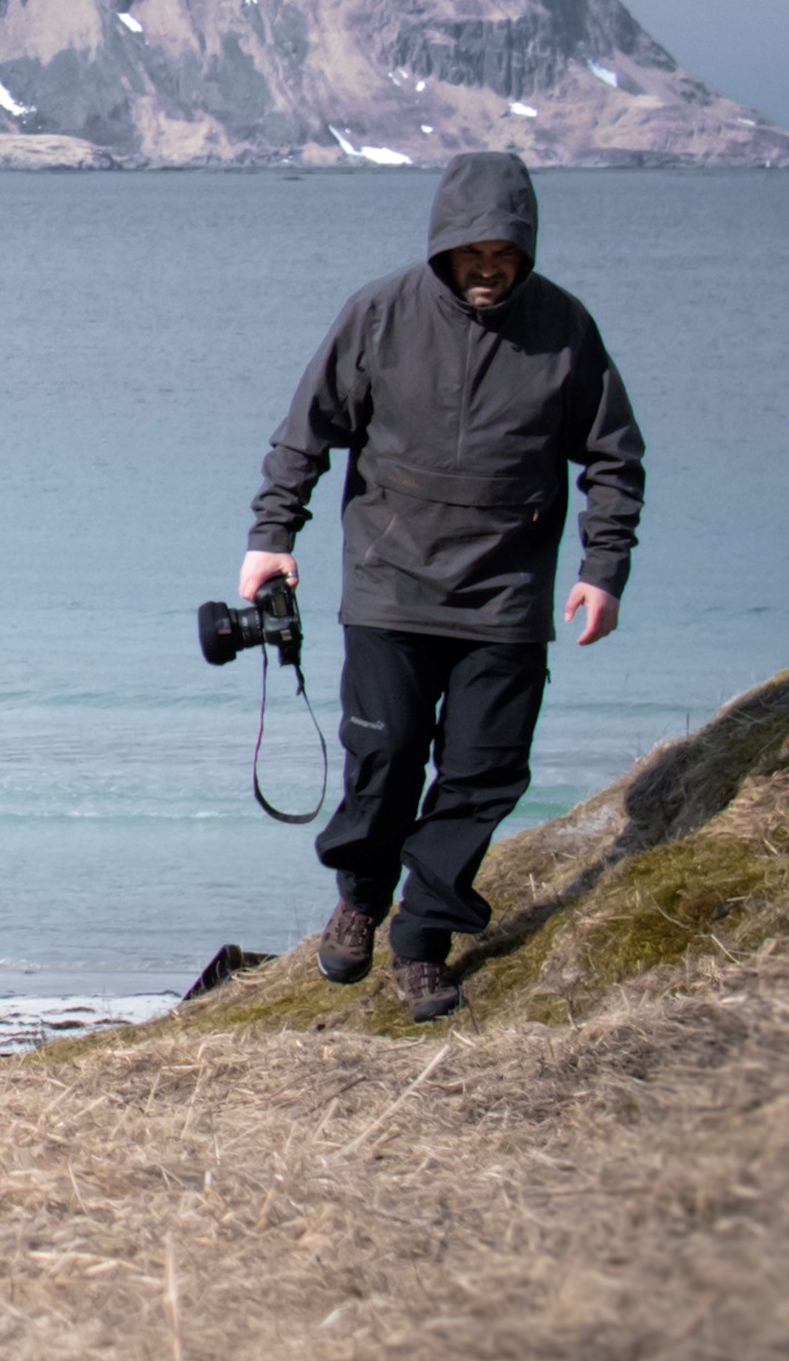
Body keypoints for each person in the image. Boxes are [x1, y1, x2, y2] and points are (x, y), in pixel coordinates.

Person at [240, 147, 644, 1024]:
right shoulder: (379, 314)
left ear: (524, 250)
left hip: (504, 601)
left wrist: (601, 572)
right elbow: (303, 432)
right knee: (382, 764)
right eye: (472, 253)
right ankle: (360, 895)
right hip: (390, 587)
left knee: (481, 776)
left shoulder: (564, 330)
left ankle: (421, 939)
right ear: (443, 248)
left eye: (504, 252)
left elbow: (615, 459)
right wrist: (271, 536)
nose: (488, 268)